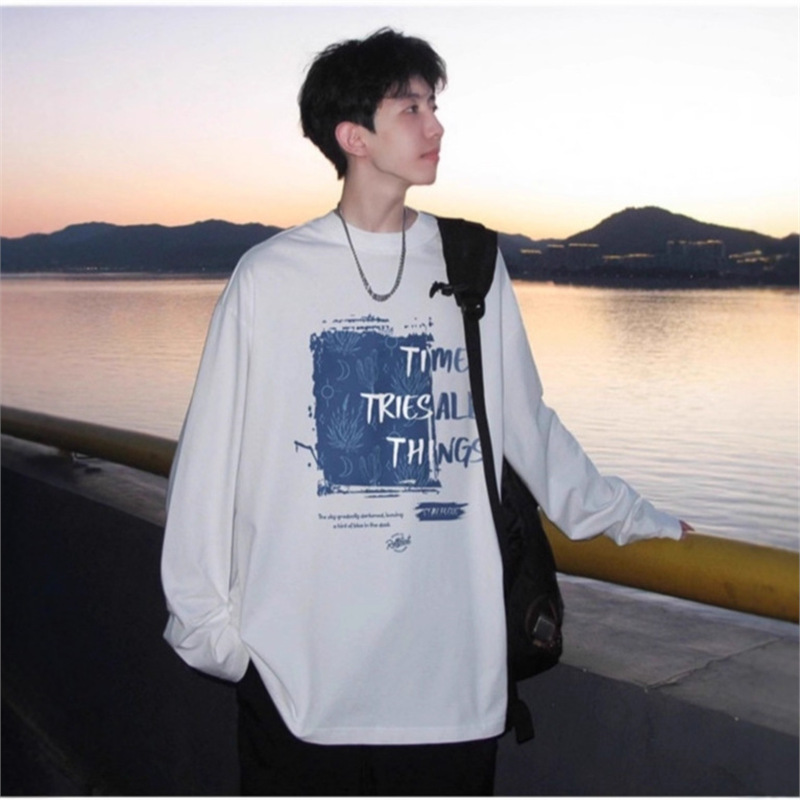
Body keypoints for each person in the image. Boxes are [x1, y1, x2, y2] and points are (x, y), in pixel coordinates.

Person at [160, 27, 692, 796]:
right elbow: (210, 461)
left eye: (433, 105)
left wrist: (632, 516)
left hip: (449, 689)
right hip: (300, 687)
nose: (435, 125)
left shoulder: (471, 264)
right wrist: (212, 635)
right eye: (410, 107)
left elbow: (527, 426)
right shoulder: (269, 279)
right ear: (354, 137)